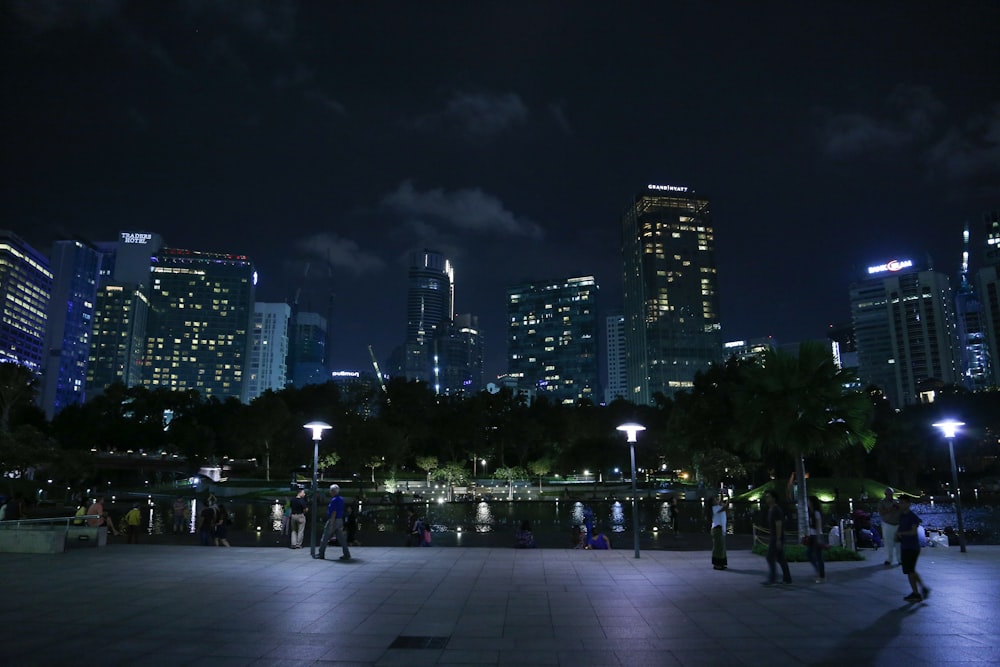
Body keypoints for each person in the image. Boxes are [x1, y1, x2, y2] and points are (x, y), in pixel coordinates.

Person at [897, 495, 929, 602]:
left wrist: (902, 533)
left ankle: (916, 593)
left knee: (910, 571)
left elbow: (914, 532)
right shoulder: (902, 516)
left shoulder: (912, 517)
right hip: (905, 546)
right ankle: (922, 588)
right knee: (911, 571)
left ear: (908, 504)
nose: (900, 505)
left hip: (912, 547)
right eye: (899, 503)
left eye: (902, 503)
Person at [763, 489, 792, 586]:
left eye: (768, 496)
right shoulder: (771, 509)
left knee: (770, 557)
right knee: (780, 558)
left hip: (776, 537)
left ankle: (773, 579)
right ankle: (787, 578)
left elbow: (778, 524)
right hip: (775, 536)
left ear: (774, 498)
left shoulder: (776, 509)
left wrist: (779, 539)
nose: (766, 498)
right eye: (766, 496)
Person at [316, 484, 351, 561]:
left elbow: (333, 512)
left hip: (333, 520)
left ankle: (321, 554)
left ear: (333, 491)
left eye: (330, 491)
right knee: (341, 539)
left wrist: (331, 523)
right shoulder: (341, 499)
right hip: (339, 520)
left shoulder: (334, 500)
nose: (330, 492)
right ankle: (347, 554)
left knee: (325, 537)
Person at [877, 487, 901, 566]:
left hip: (897, 524)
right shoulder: (882, 502)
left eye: (891, 494)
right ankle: (889, 559)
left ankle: (900, 559)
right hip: (888, 524)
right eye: (889, 494)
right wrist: (891, 509)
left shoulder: (896, 502)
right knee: (888, 543)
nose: (890, 495)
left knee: (899, 543)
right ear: (885, 494)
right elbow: (881, 512)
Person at [805, 496, 825, 583]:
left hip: (816, 536)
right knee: (809, 554)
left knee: (818, 556)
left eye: (809, 501)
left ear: (812, 503)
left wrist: (819, 537)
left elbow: (818, 526)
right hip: (812, 536)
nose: (808, 503)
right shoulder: (811, 512)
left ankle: (821, 576)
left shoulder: (816, 512)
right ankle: (818, 571)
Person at [710, 495, 729, 570]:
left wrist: (722, 495)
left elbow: (722, 503)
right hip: (717, 529)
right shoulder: (714, 508)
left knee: (721, 548)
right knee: (718, 548)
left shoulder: (718, 507)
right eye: (715, 500)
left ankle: (721, 563)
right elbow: (726, 507)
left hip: (720, 529)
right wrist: (729, 498)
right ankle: (717, 564)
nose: (717, 500)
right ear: (712, 502)